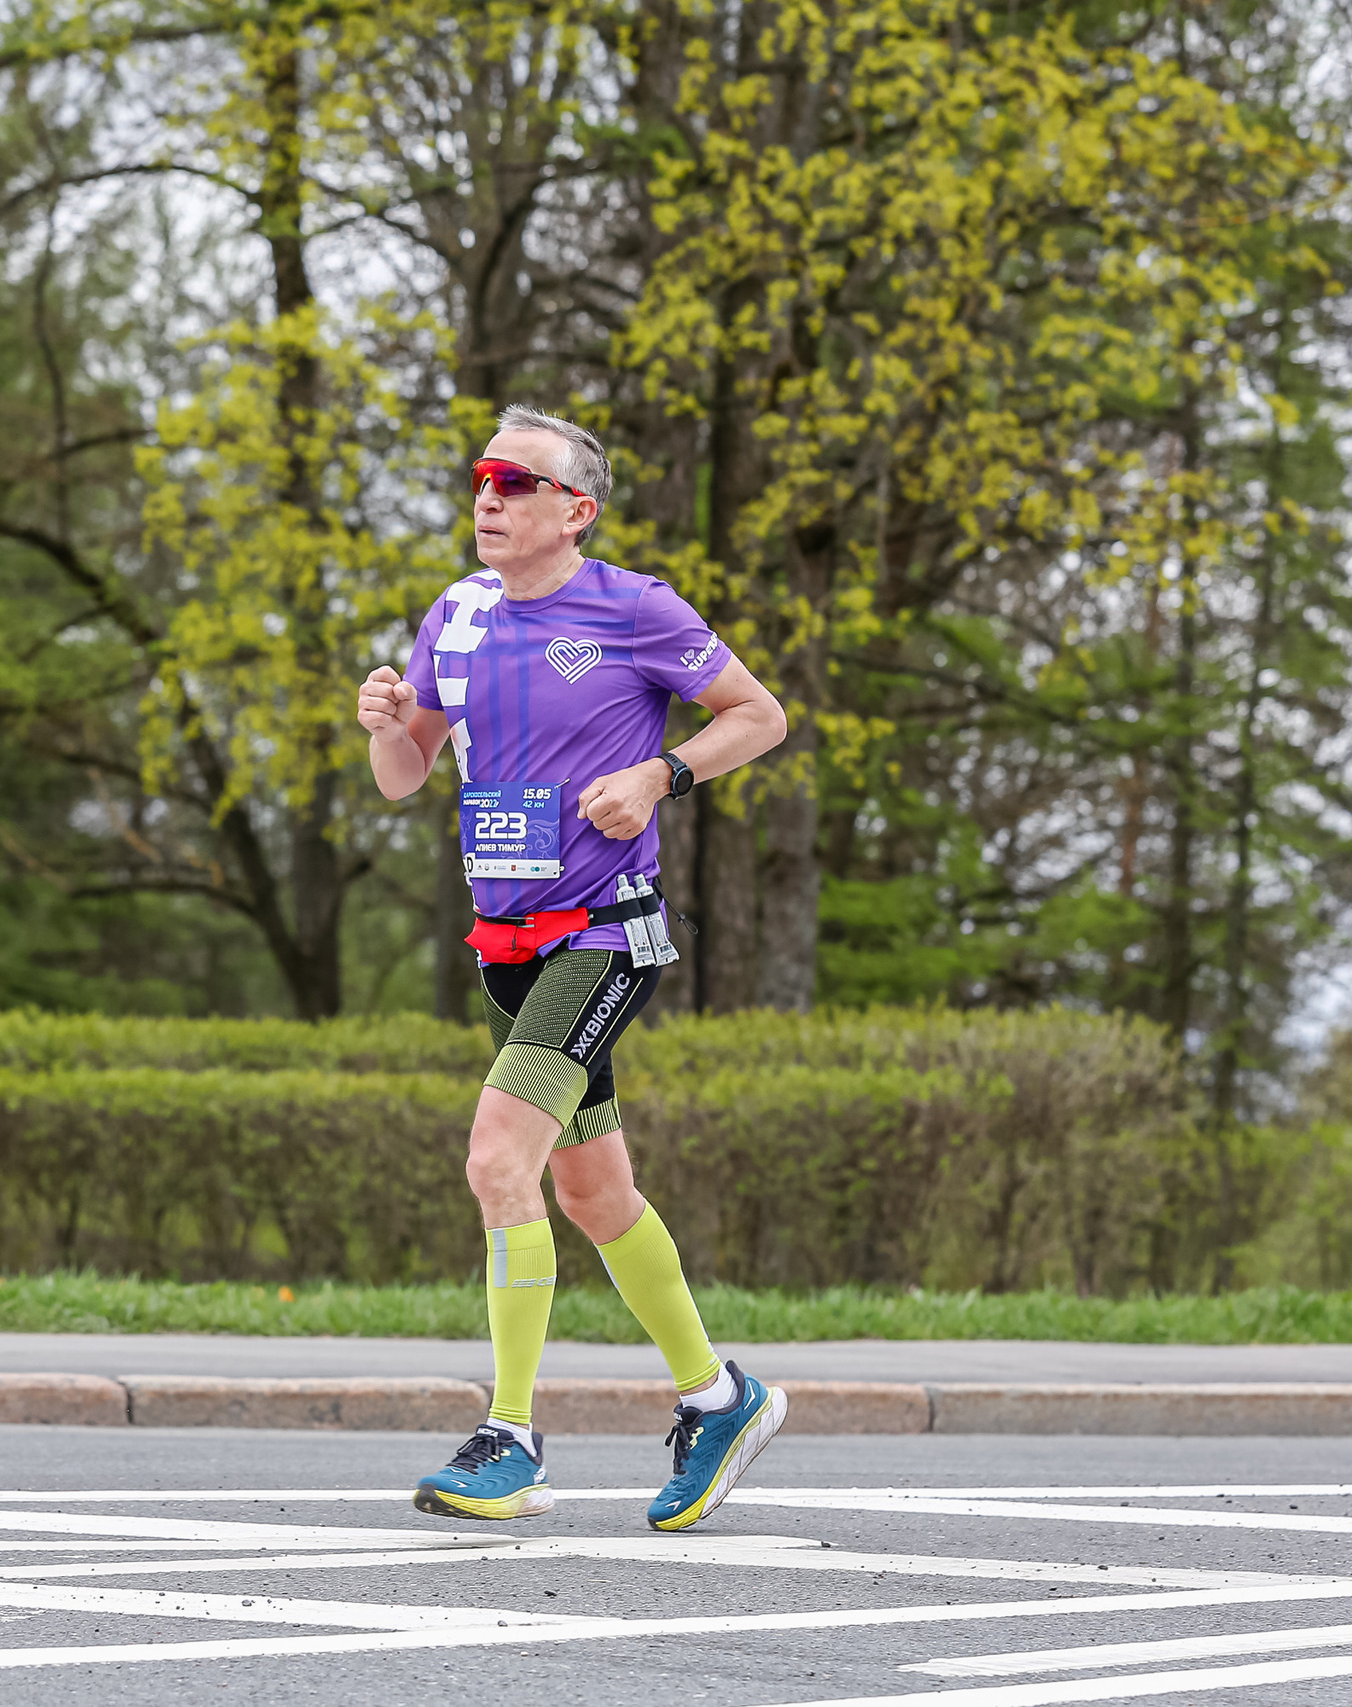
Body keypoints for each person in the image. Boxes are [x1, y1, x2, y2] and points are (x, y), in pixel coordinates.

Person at [358, 405, 791, 1531]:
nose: (488, 498)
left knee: (498, 1156)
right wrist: (385, 724)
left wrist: (660, 777)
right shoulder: (453, 617)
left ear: (575, 510)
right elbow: (405, 776)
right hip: (505, 942)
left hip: (603, 930)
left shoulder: (634, 607)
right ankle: (720, 1396)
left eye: (515, 481)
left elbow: (759, 715)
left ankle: (508, 1436)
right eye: (480, 480)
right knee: (593, 1195)